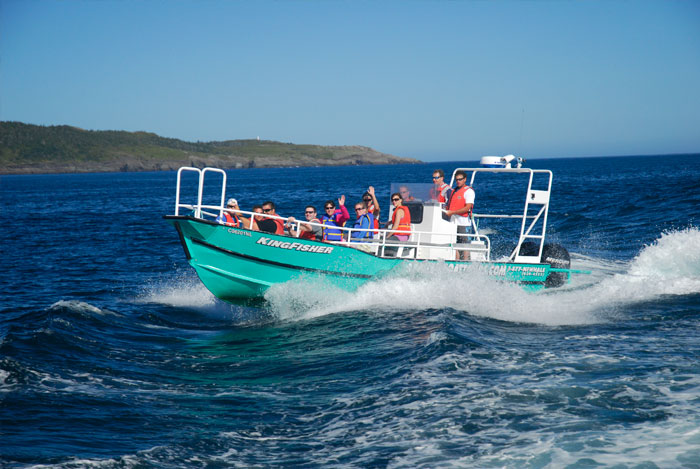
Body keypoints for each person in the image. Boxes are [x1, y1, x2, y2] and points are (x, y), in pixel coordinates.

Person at [445, 170, 475, 260]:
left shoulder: (469, 191)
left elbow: (467, 208)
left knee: (465, 244)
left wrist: (452, 212)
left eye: (460, 179)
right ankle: (456, 261)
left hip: (464, 222)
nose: (458, 181)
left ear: (465, 179)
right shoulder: (454, 191)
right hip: (453, 222)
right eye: (457, 180)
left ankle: (466, 262)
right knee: (455, 243)